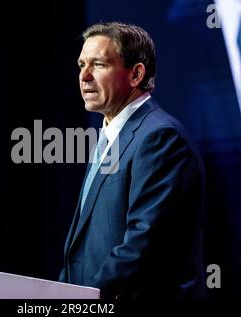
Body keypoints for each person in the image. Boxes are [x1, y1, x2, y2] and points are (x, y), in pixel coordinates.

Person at [59, 22, 206, 299]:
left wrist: (82, 298)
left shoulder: (160, 138)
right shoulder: (109, 137)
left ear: (136, 73)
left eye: (99, 65)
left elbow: (143, 245)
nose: (85, 76)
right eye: (81, 65)